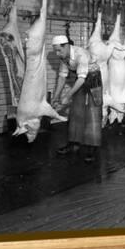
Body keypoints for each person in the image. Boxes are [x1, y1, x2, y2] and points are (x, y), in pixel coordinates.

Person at [51, 35, 103, 163]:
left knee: (93, 112)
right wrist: (55, 97)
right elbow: (62, 78)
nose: (58, 54)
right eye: (56, 51)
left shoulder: (81, 54)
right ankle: (73, 143)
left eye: (59, 50)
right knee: (76, 110)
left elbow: (81, 79)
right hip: (81, 78)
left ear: (67, 46)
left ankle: (92, 147)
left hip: (93, 78)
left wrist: (67, 96)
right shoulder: (64, 57)